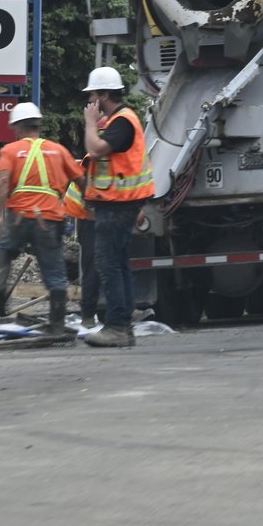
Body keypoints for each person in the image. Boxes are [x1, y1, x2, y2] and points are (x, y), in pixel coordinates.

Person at [0, 102, 83, 335]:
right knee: (54, 270)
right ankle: (58, 324)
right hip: (49, 218)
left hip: (18, 216)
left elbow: (2, 182)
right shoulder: (58, 150)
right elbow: (81, 180)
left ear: (18, 128)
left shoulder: (10, 151)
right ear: (38, 125)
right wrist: (93, 203)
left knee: (4, 253)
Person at [80, 66, 154, 348]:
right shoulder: (120, 121)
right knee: (118, 264)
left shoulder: (122, 121)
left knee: (108, 264)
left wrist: (89, 122)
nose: (89, 103)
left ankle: (117, 327)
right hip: (120, 205)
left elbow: (96, 149)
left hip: (116, 206)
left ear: (104, 95)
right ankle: (122, 324)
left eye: (92, 97)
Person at [64, 173, 102, 328]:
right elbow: (88, 200)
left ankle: (119, 311)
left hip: (93, 216)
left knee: (102, 266)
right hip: (89, 218)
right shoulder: (96, 158)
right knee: (92, 268)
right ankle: (88, 315)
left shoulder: (102, 157)